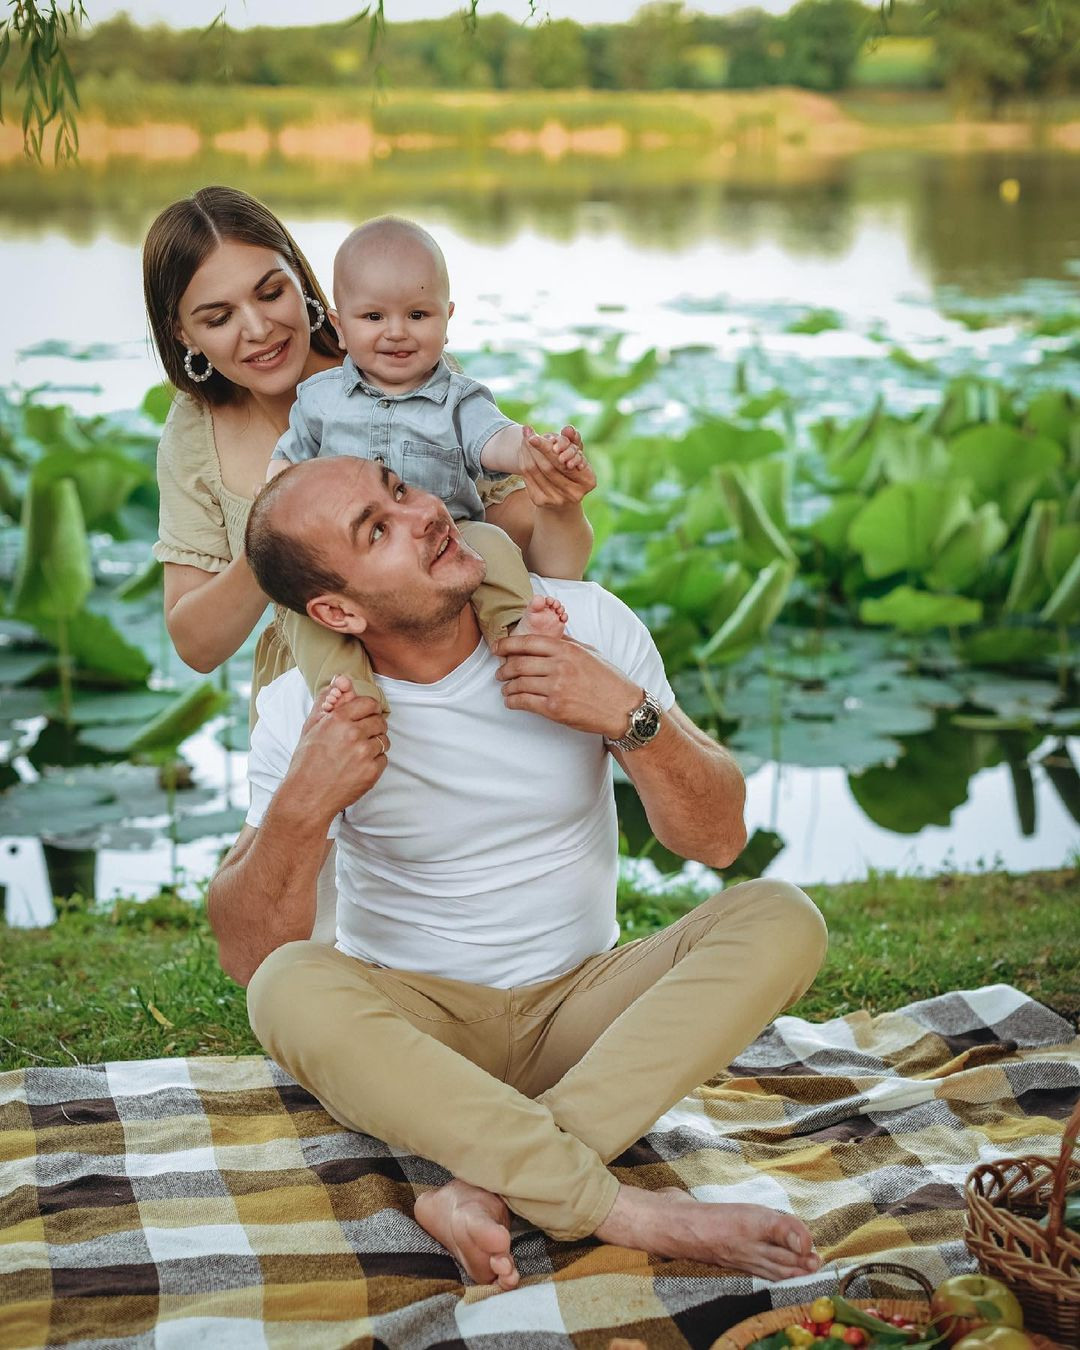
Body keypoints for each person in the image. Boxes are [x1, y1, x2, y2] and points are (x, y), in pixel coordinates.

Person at [207, 454, 830, 1290]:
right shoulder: (303, 709)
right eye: (377, 530)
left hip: (586, 1015)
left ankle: (486, 1182)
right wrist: (301, 805)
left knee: (781, 915)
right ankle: (622, 1211)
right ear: (336, 611)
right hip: (416, 1031)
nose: (426, 513)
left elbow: (718, 840)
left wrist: (627, 714)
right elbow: (250, 955)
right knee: (287, 985)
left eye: (400, 489)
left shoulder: (579, 622)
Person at [143, 186, 591, 938]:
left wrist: (559, 503)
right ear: (182, 332)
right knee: (315, 939)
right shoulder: (196, 433)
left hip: (449, 671)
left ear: (304, 281)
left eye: (270, 292)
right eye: (217, 318)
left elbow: (537, 558)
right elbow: (195, 643)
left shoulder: (401, 361)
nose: (258, 329)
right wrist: (282, 532)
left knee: (462, 914)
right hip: (320, 683)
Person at [268, 213, 596, 715]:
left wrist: (530, 450)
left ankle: (517, 630)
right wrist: (273, 495)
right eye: (373, 318)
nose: (396, 333)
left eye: (418, 315)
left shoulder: (458, 400)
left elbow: (493, 438)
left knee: (494, 545)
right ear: (339, 325)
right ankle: (346, 695)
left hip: (452, 537)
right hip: (357, 561)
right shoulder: (319, 399)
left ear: (447, 317)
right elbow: (290, 462)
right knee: (308, 610)